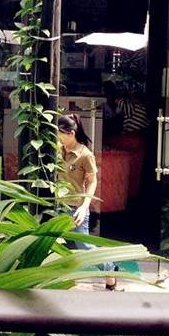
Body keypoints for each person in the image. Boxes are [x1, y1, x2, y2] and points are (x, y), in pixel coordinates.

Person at [58, 113, 118, 291]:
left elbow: (92, 182)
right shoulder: (58, 149)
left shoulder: (85, 155)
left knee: (84, 247)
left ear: (71, 133)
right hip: (58, 206)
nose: (58, 137)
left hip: (75, 208)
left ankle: (110, 269)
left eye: (60, 133)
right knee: (63, 247)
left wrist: (84, 207)